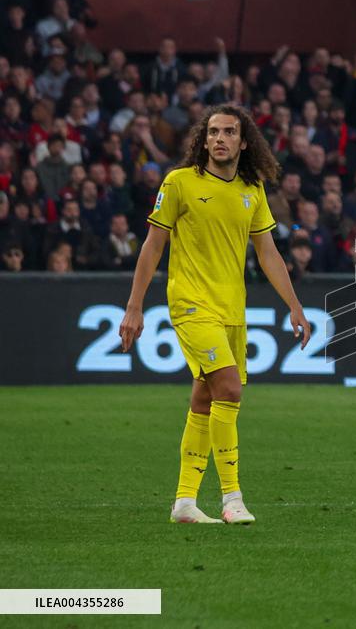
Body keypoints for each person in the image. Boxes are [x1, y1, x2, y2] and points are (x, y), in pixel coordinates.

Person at [118, 106, 311, 525]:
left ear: (244, 142)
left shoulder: (252, 190)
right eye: (213, 132)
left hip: (232, 309)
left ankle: (185, 502)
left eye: (229, 132)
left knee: (205, 396)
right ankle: (232, 497)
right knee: (229, 388)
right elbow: (153, 245)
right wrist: (134, 306)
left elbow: (267, 251)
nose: (220, 138)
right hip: (189, 302)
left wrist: (294, 305)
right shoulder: (180, 183)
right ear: (203, 140)